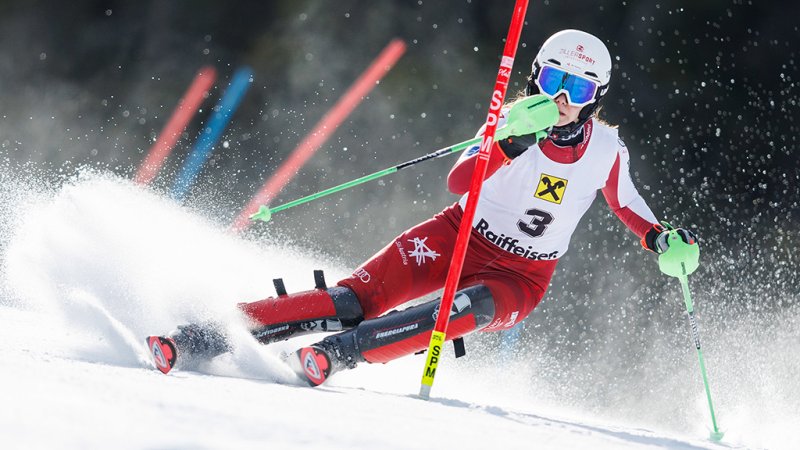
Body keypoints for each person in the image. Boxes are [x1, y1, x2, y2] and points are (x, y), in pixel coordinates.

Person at [146, 29, 696, 386]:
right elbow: (460, 179)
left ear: (594, 98)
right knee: (352, 299)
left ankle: (337, 355)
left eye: (574, 89)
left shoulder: (605, 148)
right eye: (551, 81)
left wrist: (661, 239)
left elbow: (629, 204)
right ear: (534, 79)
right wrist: (508, 142)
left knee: (457, 311)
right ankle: (200, 337)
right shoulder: (509, 124)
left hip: (520, 276)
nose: (559, 100)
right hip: (459, 234)